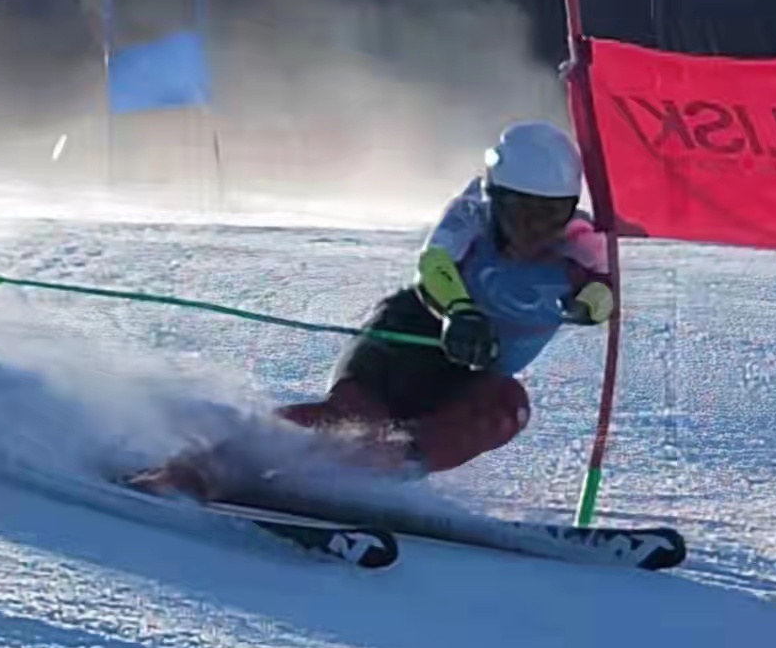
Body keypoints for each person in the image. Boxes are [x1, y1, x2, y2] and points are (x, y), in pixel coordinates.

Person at [129, 120, 615, 499]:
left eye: (550, 214)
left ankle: (373, 476)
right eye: (521, 211)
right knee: (354, 422)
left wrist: (589, 305)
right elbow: (435, 263)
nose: (535, 228)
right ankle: (196, 468)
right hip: (406, 342)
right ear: (496, 199)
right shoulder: (472, 215)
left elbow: (605, 290)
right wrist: (459, 312)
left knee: (507, 406)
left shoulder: (580, 243)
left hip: (471, 374)